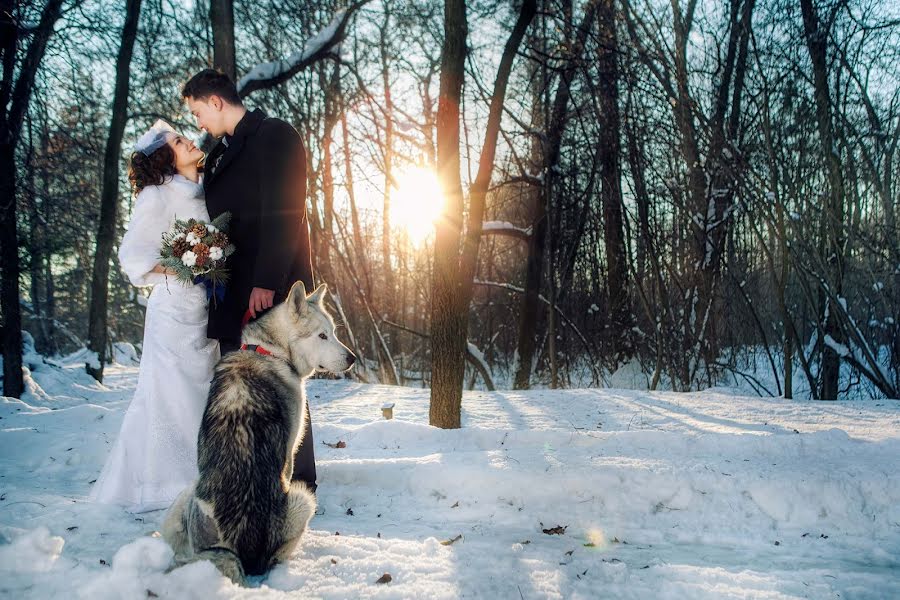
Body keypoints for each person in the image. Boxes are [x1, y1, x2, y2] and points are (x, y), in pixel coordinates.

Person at [181, 69, 318, 490]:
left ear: (216, 101)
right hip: (233, 289)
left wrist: (266, 281)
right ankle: (251, 478)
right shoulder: (220, 151)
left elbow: (286, 212)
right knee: (242, 386)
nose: (197, 122)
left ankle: (298, 482)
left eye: (197, 111)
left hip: (269, 291)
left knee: (279, 382)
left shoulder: (275, 135)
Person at [90, 121, 219, 513]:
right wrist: (185, 264)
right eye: (180, 142)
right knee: (170, 395)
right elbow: (133, 257)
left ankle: (204, 474)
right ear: (166, 159)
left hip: (204, 306)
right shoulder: (157, 195)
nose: (190, 142)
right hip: (172, 310)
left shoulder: (203, 186)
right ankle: (167, 486)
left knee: (201, 391)